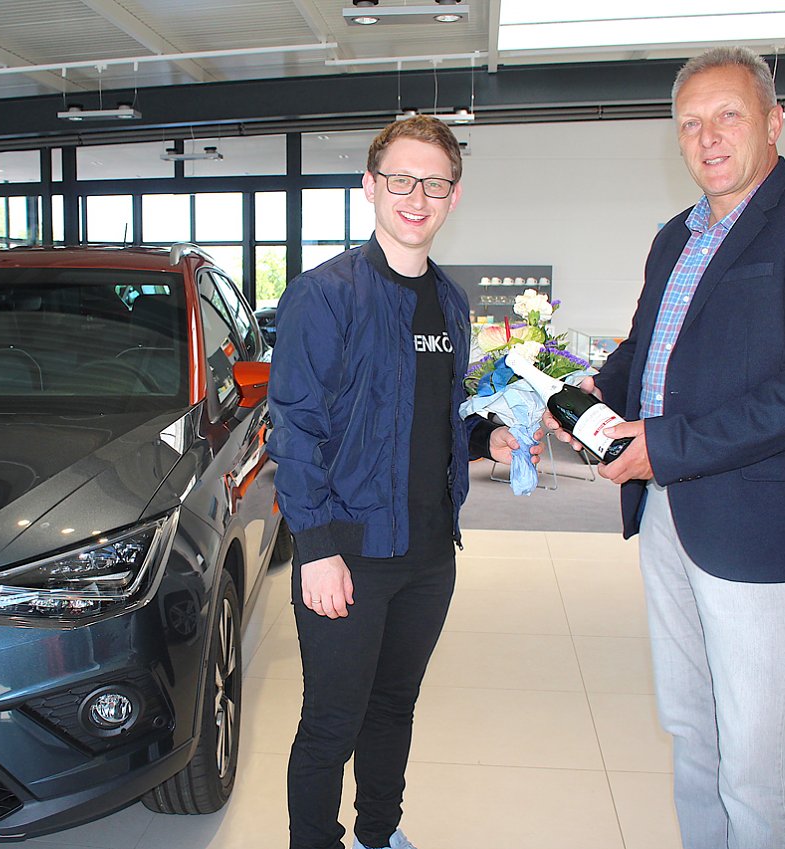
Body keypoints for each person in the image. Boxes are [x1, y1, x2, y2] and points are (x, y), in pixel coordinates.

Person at [543, 47, 785, 849]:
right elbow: (650, 350)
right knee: (694, 731)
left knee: (754, 761)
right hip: (669, 518)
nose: (709, 137)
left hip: (760, 529)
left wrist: (668, 444)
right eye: (690, 123)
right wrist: (597, 391)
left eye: (728, 114)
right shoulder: (675, 236)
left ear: (771, 121)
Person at [267, 115, 537, 849]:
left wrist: (487, 438)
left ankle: (379, 835)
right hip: (347, 554)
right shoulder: (326, 296)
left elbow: (435, 412)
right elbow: (293, 429)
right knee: (331, 721)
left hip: (427, 554)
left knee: (395, 706)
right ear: (370, 187)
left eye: (435, 182)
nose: (417, 195)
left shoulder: (449, 301)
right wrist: (316, 547)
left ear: (453, 196)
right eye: (401, 179)